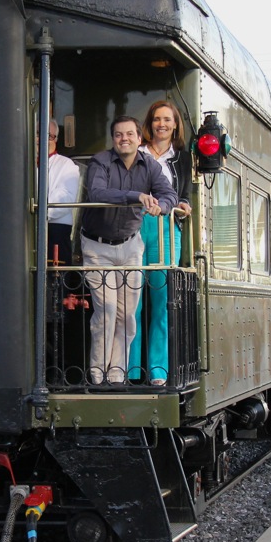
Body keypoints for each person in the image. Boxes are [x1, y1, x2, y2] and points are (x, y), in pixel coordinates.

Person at [80, 115, 177, 385]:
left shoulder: (150, 165)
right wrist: (136, 196)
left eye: (130, 134)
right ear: (114, 140)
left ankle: (118, 371)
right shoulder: (101, 161)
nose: (125, 139)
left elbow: (169, 194)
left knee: (127, 313)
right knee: (107, 308)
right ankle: (97, 371)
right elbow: (98, 193)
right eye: (119, 135)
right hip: (98, 246)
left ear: (138, 138)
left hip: (131, 245)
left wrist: (163, 206)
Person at [129, 100, 192, 385]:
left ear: (175, 124)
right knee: (132, 300)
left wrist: (185, 204)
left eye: (167, 119)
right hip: (135, 224)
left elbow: (185, 192)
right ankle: (129, 369)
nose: (162, 124)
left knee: (161, 299)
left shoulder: (182, 157)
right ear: (150, 123)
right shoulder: (137, 151)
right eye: (157, 119)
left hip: (167, 228)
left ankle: (158, 369)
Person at [46, 115, 81, 265]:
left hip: (55, 232)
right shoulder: (20, 164)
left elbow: (65, 199)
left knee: (56, 282)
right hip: (23, 232)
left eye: (49, 136)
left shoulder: (67, 165)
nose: (42, 139)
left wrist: (31, 213)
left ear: (55, 140)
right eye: (37, 134)